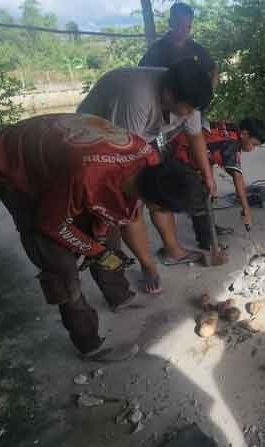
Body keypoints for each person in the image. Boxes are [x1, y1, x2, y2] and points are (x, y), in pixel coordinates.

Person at [0, 114, 206, 362]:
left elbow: (126, 216)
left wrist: (146, 264)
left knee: (106, 225)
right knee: (59, 263)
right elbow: (50, 223)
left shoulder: (149, 160)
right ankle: (88, 344)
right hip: (13, 158)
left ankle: (119, 296)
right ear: (156, 204)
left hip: (66, 155)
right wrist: (94, 251)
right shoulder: (86, 176)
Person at [77, 59, 214, 291]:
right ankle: (144, 265)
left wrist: (207, 175)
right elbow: (125, 159)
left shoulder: (188, 96)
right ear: (169, 95)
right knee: (128, 204)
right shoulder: (135, 99)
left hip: (137, 139)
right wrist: (141, 197)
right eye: (188, 109)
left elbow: (195, 135)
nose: (191, 114)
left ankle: (173, 250)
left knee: (164, 189)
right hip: (97, 141)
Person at [154, 118, 265, 264]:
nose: (253, 149)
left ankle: (209, 227)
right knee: (199, 196)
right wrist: (246, 209)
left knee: (209, 189)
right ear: (244, 134)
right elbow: (237, 177)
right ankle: (206, 240)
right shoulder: (232, 143)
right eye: (254, 144)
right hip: (180, 156)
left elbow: (210, 151)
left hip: (187, 152)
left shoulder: (231, 130)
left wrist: (209, 178)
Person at [139, 2, 217, 88]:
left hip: (190, 99)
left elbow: (213, 69)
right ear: (170, 23)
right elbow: (141, 73)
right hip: (162, 99)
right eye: (180, 25)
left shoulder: (196, 49)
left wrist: (207, 95)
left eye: (188, 27)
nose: (184, 31)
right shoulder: (157, 50)